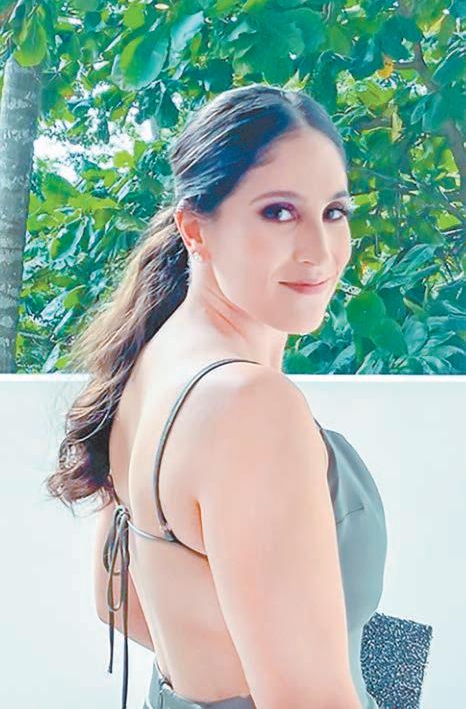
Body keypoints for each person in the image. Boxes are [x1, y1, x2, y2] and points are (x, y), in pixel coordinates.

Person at [46, 83, 386, 708]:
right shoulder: (246, 406)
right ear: (194, 227)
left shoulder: (147, 360)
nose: (319, 252)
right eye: (278, 212)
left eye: (334, 212)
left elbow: (115, 599)